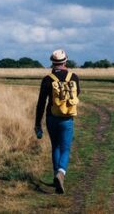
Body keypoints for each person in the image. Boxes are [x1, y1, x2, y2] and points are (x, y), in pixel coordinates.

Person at [35, 49, 81, 194]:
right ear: (65, 61)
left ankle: (57, 175)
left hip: (51, 117)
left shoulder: (47, 79)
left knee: (55, 146)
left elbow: (41, 103)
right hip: (67, 118)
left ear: (52, 62)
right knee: (65, 148)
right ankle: (61, 173)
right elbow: (77, 93)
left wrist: (37, 123)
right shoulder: (73, 77)